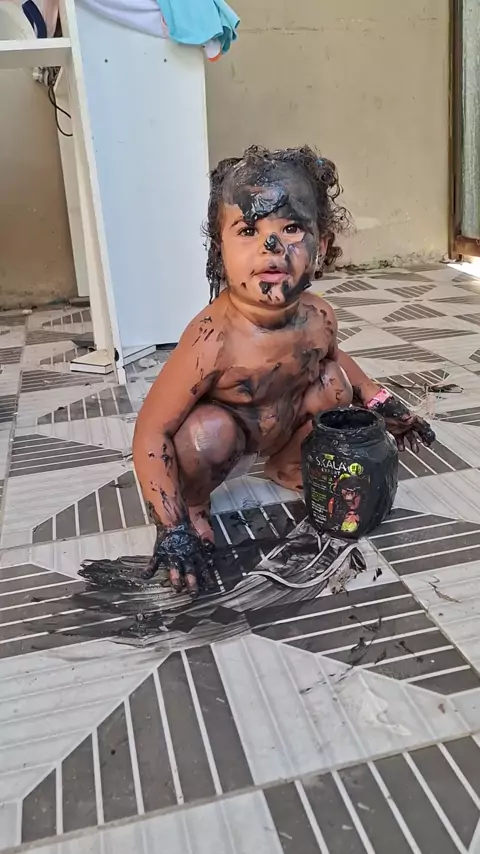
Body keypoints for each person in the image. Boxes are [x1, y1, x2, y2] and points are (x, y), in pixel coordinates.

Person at [133, 145, 435, 597]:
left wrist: (384, 403)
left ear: (321, 247)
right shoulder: (212, 338)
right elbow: (151, 430)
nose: (271, 247)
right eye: (248, 230)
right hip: (229, 437)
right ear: (219, 250)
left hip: (282, 420)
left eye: (291, 228)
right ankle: (195, 506)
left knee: (332, 384)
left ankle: (289, 464)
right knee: (206, 434)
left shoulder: (317, 316)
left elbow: (337, 359)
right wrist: (170, 526)